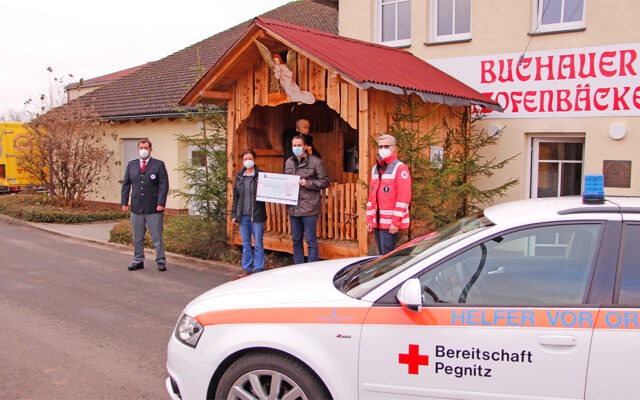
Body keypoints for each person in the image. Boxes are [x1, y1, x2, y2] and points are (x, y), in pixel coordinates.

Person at [121, 138, 169, 271]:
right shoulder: (131, 165)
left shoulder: (158, 165)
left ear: (150, 150)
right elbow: (126, 184)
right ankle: (138, 260)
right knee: (137, 237)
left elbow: (164, 185)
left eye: (146, 148)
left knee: (157, 237)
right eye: (141, 148)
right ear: (138, 149)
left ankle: (160, 261)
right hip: (136, 207)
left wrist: (161, 203)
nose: (143, 150)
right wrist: (124, 202)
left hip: (153, 207)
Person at [284, 135, 329, 264]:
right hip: (294, 208)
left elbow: (325, 181)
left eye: (299, 145)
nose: (296, 148)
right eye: (294, 145)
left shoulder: (316, 161)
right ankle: (298, 267)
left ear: (304, 147)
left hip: (309, 207)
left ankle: (312, 267)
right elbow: (285, 181)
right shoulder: (288, 162)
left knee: (311, 240)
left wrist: (308, 183)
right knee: (296, 240)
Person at [366, 134, 411, 255]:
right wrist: (370, 220)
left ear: (393, 148)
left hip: (390, 223)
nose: (382, 149)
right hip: (377, 222)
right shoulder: (375, 168)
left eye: (386, 146)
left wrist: (396, 222)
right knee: (382, 256)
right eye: (380, 147)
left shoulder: (400, 168)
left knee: (387, 257)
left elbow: (404, 197)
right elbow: (371, 196)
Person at [231, 150, 266, 275]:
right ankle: (246, 268)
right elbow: (235, 197)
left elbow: (268, 193)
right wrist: (234, 214)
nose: (247, 161)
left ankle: (258, 268)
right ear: (243, 161)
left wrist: (262, 185)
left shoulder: (261, 176)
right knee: (246, 244)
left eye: (250, 158)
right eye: (245, 159)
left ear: (254, 160)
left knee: (258, 243)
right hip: (243, 216)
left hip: (257, 215)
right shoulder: (239, 176)